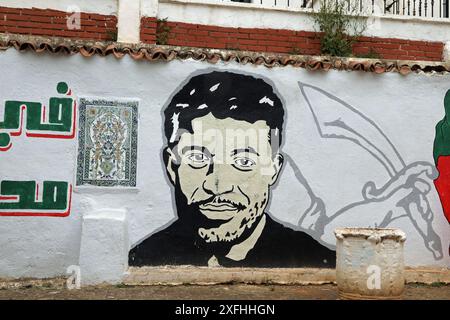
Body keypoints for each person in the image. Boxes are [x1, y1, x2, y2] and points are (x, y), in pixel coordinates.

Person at [129, 70, 336, 268]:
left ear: (273, 169)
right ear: (171, 167)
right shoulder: (142, 258)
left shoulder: (316, 258)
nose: (218, 186)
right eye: (198, 158)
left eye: (244, 162)